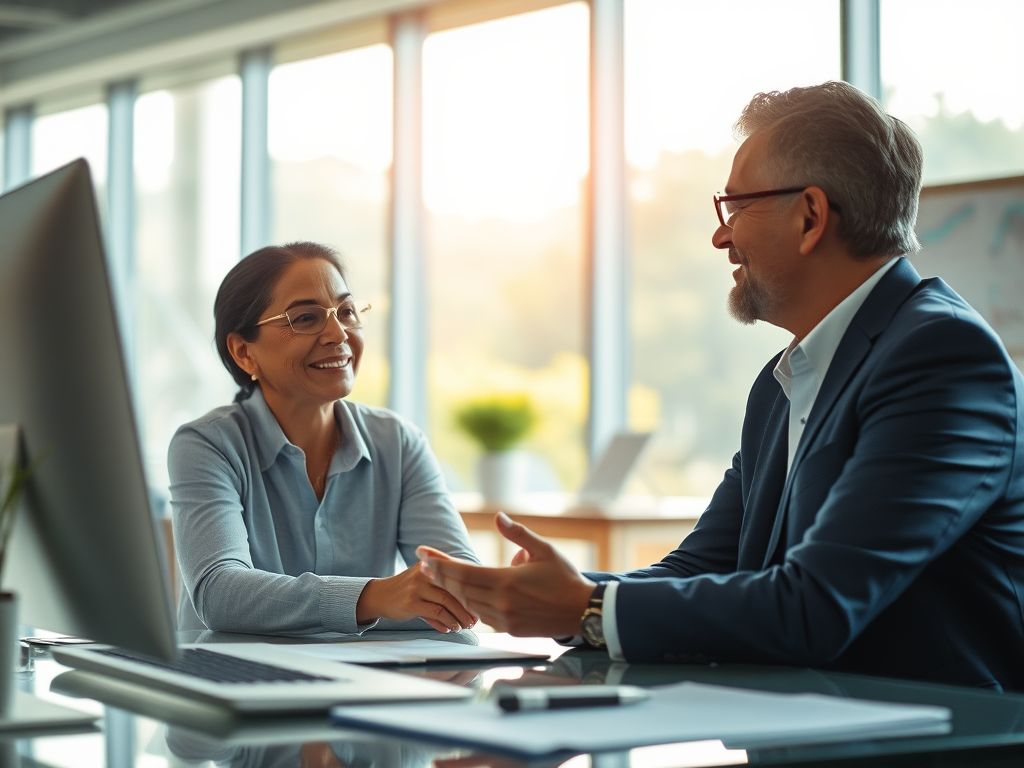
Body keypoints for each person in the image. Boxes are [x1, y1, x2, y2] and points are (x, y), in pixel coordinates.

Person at [418, 81, 1024, 691]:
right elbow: (705, 565)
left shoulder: (941, 357)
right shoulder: (781, 383)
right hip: (806, 727)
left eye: (736, 207)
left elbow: (817, 606)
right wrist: (567, 593)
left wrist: (586, 609)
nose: (720, 236)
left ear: (810, 216)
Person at [169, 241, 478, 635]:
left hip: (362, 683)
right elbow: (220, 593)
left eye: (346, 312)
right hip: (234, 683)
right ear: (244, 352)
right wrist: (374, 597)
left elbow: (459, 594)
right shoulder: (207, 445)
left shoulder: (399, 444)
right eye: (306, 318)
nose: (338, 333)